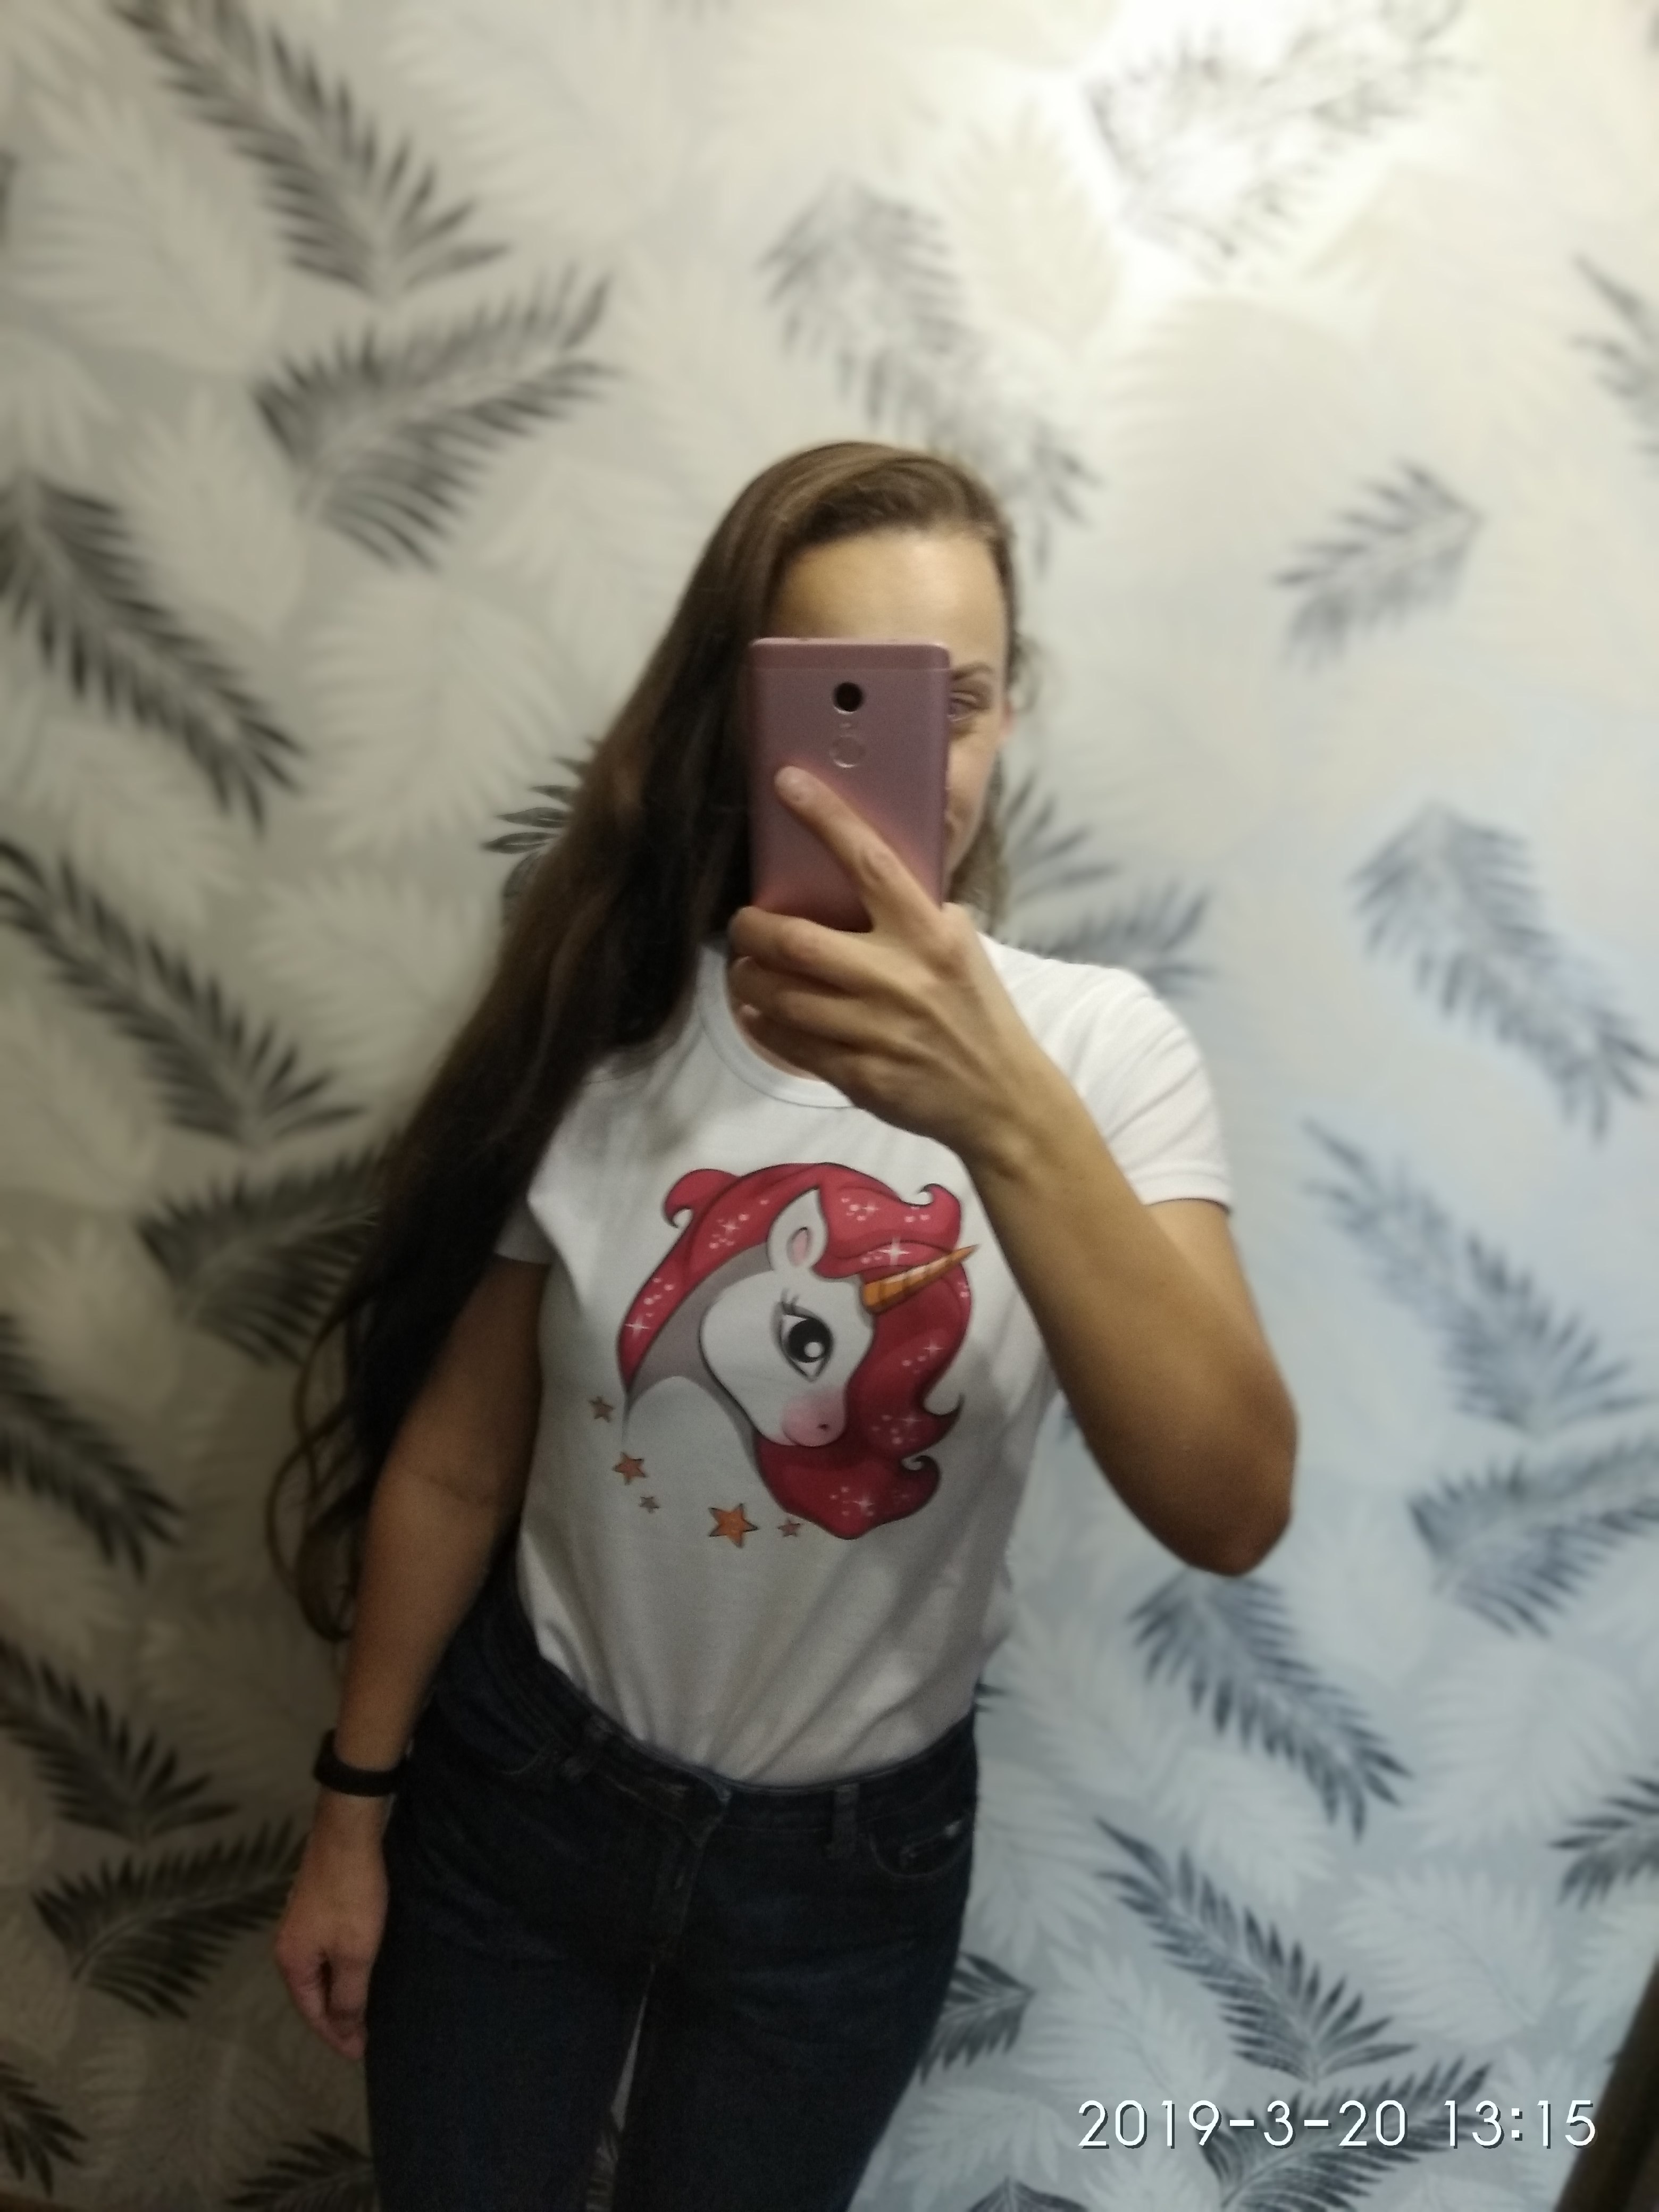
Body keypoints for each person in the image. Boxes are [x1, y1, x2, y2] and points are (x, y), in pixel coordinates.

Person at [269, 439, 1297, 2211]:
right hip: (526, 1793)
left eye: (955, 701)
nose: (917, 756)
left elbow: (1232, 1503)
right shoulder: (611, 1026)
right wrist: (350, 1810)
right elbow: (455, 1467)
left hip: (849, 1871)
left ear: (1008, 714)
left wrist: (997, 1103)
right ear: (742, 721)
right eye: (845, 702)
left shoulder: (1106, 1058)